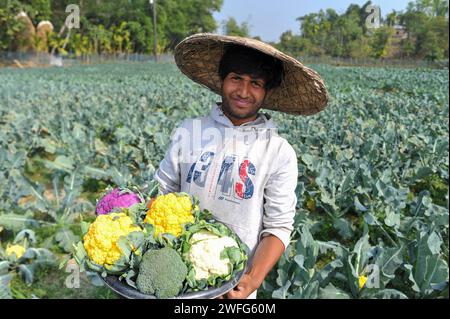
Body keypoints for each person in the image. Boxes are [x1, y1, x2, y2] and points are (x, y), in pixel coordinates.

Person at [154, 33, 328, 299]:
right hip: (176, 279)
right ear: (222, 80)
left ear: (267, 91)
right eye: (236, 78)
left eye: (256, 83)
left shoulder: (278, 152)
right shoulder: (189, 131)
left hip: (233, 286)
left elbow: (278, 227)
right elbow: (162, 192)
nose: (244, 92)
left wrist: (251, 280)